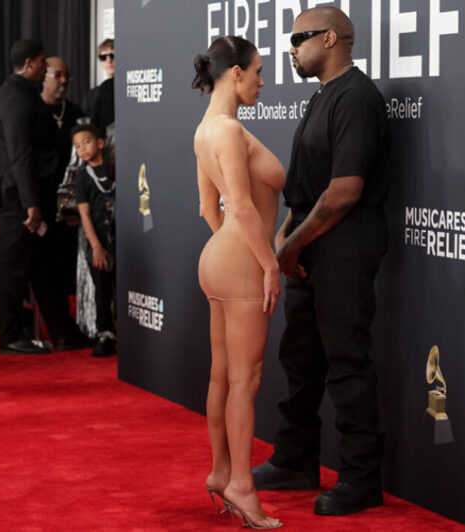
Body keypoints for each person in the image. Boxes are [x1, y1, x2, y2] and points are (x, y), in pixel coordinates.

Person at [250, 7, 391, 517]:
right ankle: (295, 460)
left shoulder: (356, 97)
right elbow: (306, 190)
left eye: (299, 39)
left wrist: (290, 246)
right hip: (312, 245)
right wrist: (286, 236)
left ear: (330, 38)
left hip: (345, 245)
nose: (290, 49)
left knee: (347, 361)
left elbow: (344, 191)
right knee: (301, 357)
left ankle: (361, 479)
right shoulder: (320, 97)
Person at [193, 36, 284, 530]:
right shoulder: (228, 129)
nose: (262, 82)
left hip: (220, 257)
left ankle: (221, 472)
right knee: (245, 382)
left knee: (222, 376)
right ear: (235, 73)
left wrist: (230, 251)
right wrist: (267, 264)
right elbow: (243, 208)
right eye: (258, 71)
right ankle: (243, 487)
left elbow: (209, 207)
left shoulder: (204, 129)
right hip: (241, 259)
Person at [0, 39, 89, 355]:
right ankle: (10, 337)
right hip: (18, 198)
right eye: (44, 62)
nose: (46, 68)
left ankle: (63, 332)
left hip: (30, 195)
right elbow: (20, 156)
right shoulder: (16, 98)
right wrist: (31, 204)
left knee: (45, 266)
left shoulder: (23, 93)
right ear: (30, 63)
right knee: (14, 269)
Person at [40, 57, 85, 295]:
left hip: (70, 201)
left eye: (67, 75)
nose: (64, 80)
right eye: (58, 75)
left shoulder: (76, 113)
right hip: (41, 199)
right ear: (43, 76)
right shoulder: (33, 110)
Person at [71, 124, 116, 358]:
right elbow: (85, 215)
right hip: (99, 240)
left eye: (86, 142)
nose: (82, 149)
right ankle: (104, 333)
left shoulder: (115, 170)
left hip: (122, 236)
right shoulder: (83, 178)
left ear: (100, 143)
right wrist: (96, 247)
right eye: (77, 146)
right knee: (103, 289)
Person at [82, 39, 114, 130]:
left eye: (113, 55)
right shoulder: (91, 95)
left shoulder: (129, 89)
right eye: (103, 57)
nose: (109, 60)